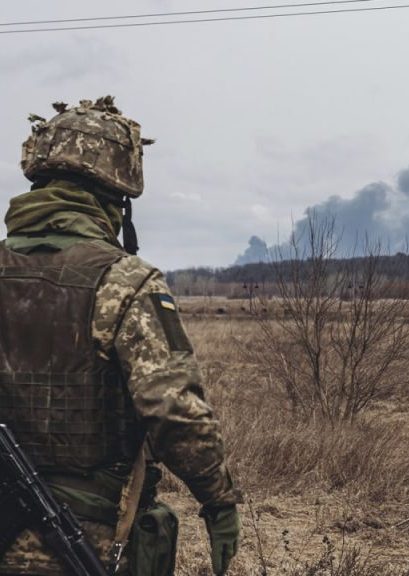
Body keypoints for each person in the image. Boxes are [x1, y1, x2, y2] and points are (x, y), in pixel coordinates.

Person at [0, 96, 241, 576]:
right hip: (83, 534)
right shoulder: (124, 282)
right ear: (117, 201)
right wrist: (218, 500)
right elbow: (174, 411)